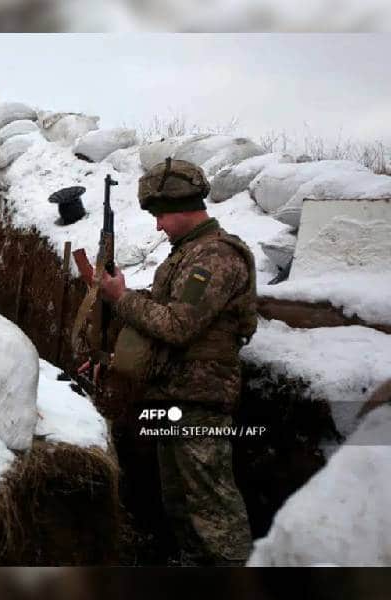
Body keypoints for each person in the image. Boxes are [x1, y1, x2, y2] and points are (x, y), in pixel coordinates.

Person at [95, 157, 257, 565]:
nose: (157, 226)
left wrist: (122, 299)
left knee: (213, 506)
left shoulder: (214, 257)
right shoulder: (187, 253)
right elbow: (166, 312)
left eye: (161, 215)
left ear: (184, 208)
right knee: (180, 502)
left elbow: (178, 326)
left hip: (200, 400)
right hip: (173, 395)